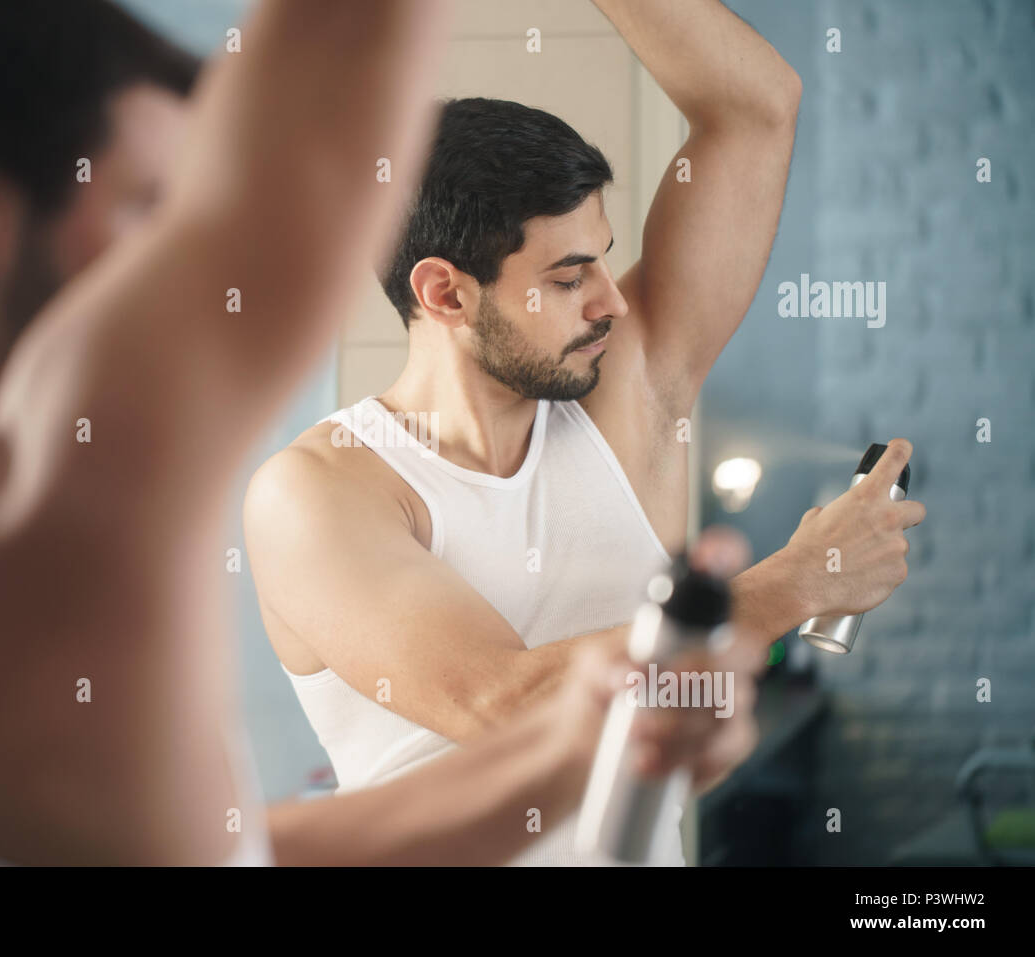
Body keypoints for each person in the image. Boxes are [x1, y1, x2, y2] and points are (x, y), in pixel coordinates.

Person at [0, 0, 760, 867]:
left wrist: (575, 744)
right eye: (147, 211)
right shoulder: (6, 535)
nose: (170, 263)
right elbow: (318, 115)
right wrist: (784, 587)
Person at [245, 0, 926, 865]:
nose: (612, 300)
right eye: (569, 279)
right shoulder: (319, 489)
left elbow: (756, 109)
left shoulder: (627, 394)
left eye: (603, 256)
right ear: (446, 293)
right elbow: (504, 701)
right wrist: (795, 581)